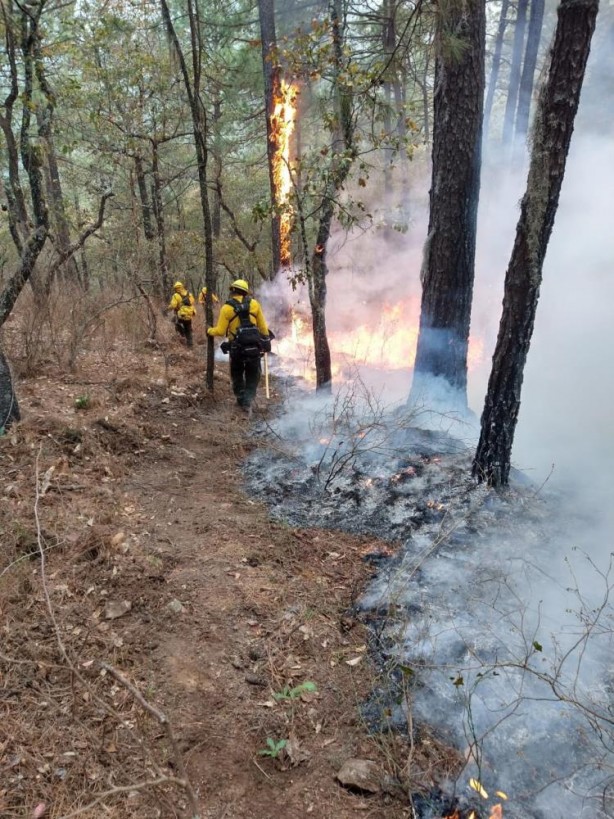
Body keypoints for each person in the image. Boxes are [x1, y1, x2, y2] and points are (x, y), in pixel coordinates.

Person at [207, 279, 270, 413]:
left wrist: (209, 331)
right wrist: (266, 339)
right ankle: (248, 399)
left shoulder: (226, 308)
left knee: (237, 374)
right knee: (253, 374)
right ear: (245, 292)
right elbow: (263, 328)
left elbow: (220, 331)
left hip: (236, 348)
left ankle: (241, 399)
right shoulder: (255, 304)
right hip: (254, 348)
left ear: (232, 291)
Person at [168, 281, 196, 348]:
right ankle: (190, 346)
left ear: (175, 288)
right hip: (189, 315)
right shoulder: (189, 294)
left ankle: (182, 338)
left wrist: (167, 308)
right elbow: (192, 302)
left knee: (175, 324)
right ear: (182, 286)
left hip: (180, 315)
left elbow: (173, 305)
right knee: (188, 330)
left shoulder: (175, 295)